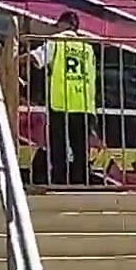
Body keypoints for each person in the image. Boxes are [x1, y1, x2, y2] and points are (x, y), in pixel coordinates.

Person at [27, 11, 99, 186]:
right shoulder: (87, 48)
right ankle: (81, 183)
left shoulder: (57, 42)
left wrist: (13, 60)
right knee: (80, 147)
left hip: (60, 103)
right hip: (83, 105)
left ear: (61, 24)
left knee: (58, 145)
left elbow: (35, 58)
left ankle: (60, 181)